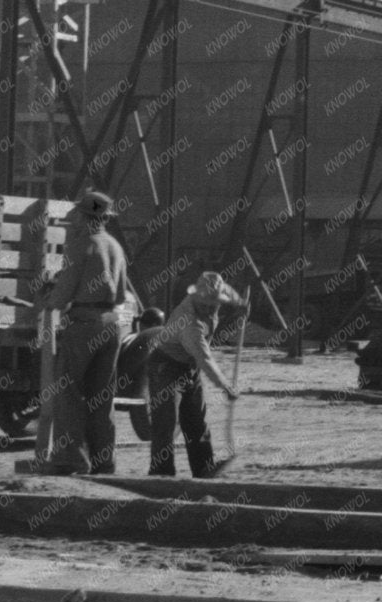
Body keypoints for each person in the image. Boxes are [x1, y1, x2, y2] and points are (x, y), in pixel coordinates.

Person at [39, 189, 139, 475]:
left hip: (84, 325)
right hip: (111, 324)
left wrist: (49, 300)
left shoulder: (81, 245)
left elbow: (64, 292)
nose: (74, 220)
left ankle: (71, 458)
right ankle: (104, 461)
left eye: (78, 216)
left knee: (68, 391)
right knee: (102, 396)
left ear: (85, 217)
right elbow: (120, 295)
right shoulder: (115, 247)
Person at [145, 271, 245, 479]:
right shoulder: (190, 323)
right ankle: (161, 473)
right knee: (166, 421)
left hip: (189, 367)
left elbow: (227, 291)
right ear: (197, 298)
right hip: (166, 366)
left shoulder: (214, 295)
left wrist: (241, 304)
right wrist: (225, 386)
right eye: (205, 304)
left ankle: (204, 469)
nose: (209, 308)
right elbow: (204, 359)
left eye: (213, 305)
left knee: (196, 420)